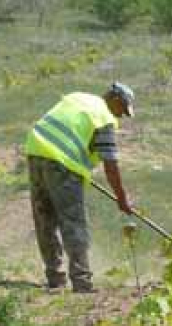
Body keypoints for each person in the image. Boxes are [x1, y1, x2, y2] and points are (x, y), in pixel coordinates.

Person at [25, 82, 135, 293]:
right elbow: (110, 165)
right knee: (73, 221)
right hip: (62, 162)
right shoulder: (103, 117)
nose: (121, 116)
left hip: (35, 150)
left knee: (44, 220)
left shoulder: (78, 98)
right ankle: (82, 281)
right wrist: (122, 198)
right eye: (123, 109)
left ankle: (55, 279)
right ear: (115, 99)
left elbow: (68, 130)